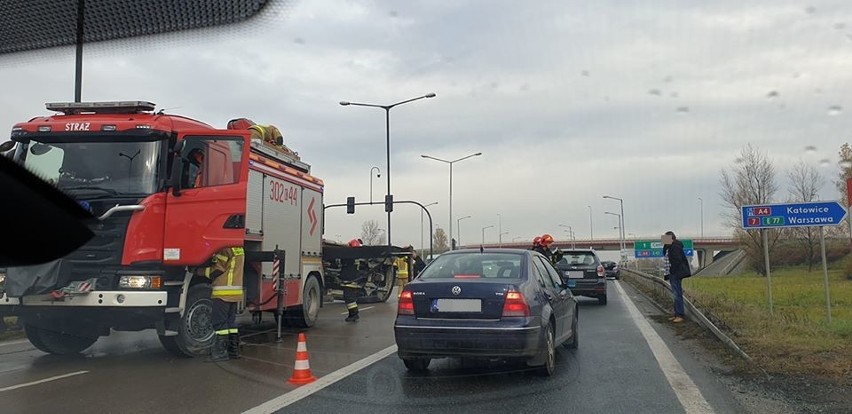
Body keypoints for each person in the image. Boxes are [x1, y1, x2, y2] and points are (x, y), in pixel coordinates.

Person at [196, 246, 245, 361]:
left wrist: (199, 271)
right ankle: (233, 351)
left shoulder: (225, 249)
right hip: (235, 293)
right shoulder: (239, 249)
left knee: (219, 323)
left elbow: (217, 269)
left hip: (223, 293)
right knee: (230, 322)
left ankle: (220, 352)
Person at [663, 231, 690, 323]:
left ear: (672, 238)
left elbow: (677, 261)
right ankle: (676, 314)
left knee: (677, 294)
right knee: (675, 294)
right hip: (672, 273)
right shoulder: (670, 247)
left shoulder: (676, 247)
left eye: (666, 238)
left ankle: (680, 315)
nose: (664, 241)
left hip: (676, 273)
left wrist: (672, 271)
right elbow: (665, 255)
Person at [340, 239, 362, 322]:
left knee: (349, 298)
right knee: (350, 298)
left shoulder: (350, 256)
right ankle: (352, 314)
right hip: (352, 279)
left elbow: (344, 261)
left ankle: (354, 314)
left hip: (349, 280)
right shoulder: (356, 256)